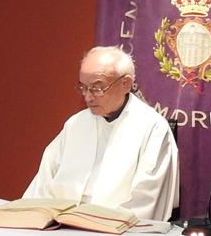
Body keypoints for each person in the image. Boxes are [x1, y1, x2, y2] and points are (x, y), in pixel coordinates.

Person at [23, 46, 179, 221]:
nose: (88, 97)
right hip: (61, 226)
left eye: (97, 88)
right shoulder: (76, 124)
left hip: (112, 229)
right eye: (83, 88)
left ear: (125, 84)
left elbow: (144, 203)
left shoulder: (153, 128)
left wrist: (91, 224)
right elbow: (44, 183)